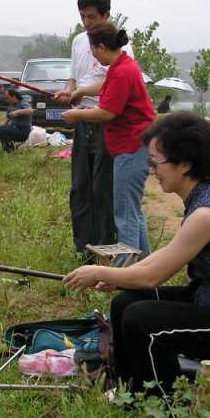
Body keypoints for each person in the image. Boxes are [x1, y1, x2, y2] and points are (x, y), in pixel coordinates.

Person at [62, 112, 210, 403]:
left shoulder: (207, 212)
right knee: (126, 303)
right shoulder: (202, 197)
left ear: (186, 163)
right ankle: (130, 391)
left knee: (143, 319)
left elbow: (154, 276)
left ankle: (162, 408)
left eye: (156, 162)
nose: (152, 170)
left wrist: (103, 274)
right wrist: (120, 279)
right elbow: (167, 254)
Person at [54, 0, 134, 259]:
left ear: (106, 15)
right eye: (82, 17)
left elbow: (116, 85)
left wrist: (80, 93)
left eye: (91, 17)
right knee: (80, 187)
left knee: (102, 189)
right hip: (82, 120)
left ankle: (103, 249)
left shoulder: (119, 45)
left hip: (106, 121)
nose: (86, 23)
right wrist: (69, 90)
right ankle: (83, 248)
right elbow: (74, 76)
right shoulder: (78, 41)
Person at [63, 23, 155, 257]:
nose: (92, 55)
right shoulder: (121, 65)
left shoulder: (123, 71)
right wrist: (80, 92)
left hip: (131, 149)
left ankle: (125, 273)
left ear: (102, 48)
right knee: (133, 213)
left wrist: (75, 114)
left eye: (92, 51)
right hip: (134, 148)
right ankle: (143, 267)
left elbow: (107, 113)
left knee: (124, 215)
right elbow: (104, 87)